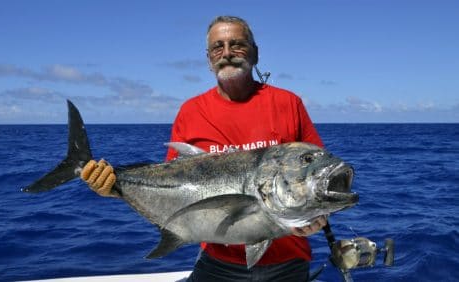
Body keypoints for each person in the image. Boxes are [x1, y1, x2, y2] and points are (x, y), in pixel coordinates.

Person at [80, 15, 327, 282]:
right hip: (218, 263)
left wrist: (317, 215)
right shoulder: (191, 111)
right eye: (217, 47)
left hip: (287, 262)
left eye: (237, 44)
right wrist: (115, 188)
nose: (227, 53)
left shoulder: (287, 103)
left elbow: (315, 174)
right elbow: (171, 189)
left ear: (255, 53)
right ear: (208, 58)